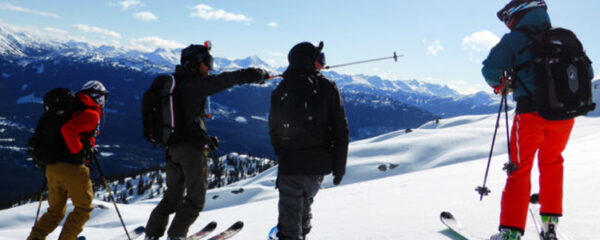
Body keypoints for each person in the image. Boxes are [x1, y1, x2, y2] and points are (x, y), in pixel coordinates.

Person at [482, 1, 594, 239]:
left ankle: (510, 233)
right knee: (553, 164)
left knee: (519, 171)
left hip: (530, 117)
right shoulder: (566, 38)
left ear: (517, 14)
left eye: (507, 18)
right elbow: (589, 74)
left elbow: (490, 70)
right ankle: (550, 226)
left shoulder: (514, 40)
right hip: (563, 117)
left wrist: (504, 86)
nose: (507, 23)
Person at [144, 42, 270, 240]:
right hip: (191, 152)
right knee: (195, 200)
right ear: (194, 63)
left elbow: (185, 119)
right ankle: (176, 236)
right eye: (207, 62)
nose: (210, 68)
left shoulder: (176, 84)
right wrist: (254, 74)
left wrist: (205, 137)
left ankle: (151, 235)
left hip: (172, 148)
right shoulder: (195, 84)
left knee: (172, 198)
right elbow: (227, 79)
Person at [268, 41, 349, 240]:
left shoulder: (281, 89)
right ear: (309, 61)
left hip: (291, 165)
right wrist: (339, 167)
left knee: (290, 219)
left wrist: (284, 154)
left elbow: (273, 129)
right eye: (319, 60)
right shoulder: (327, 87)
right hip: (318, 167)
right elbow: (341, 130)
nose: (322, 65)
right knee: (303, 208)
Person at [27, 80, 108, 240]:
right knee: (83, 209)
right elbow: (68, 130)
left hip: (52, 168)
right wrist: (79, 152)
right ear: (98, 97)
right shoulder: (91, 114)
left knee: (55, 212)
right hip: (73, 169)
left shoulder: (70, 110)